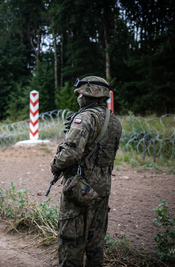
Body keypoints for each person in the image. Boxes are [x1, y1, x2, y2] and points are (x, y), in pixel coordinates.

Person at [50, 76, 122, 266]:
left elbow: (70, 154)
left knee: (71, 241)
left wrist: (54, 164)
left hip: (79, 188)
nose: (78, 97)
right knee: (95, 242)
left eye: (80, 93)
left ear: (87, 95)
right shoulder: (114, 120)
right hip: (102, 189)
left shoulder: (85, 118)